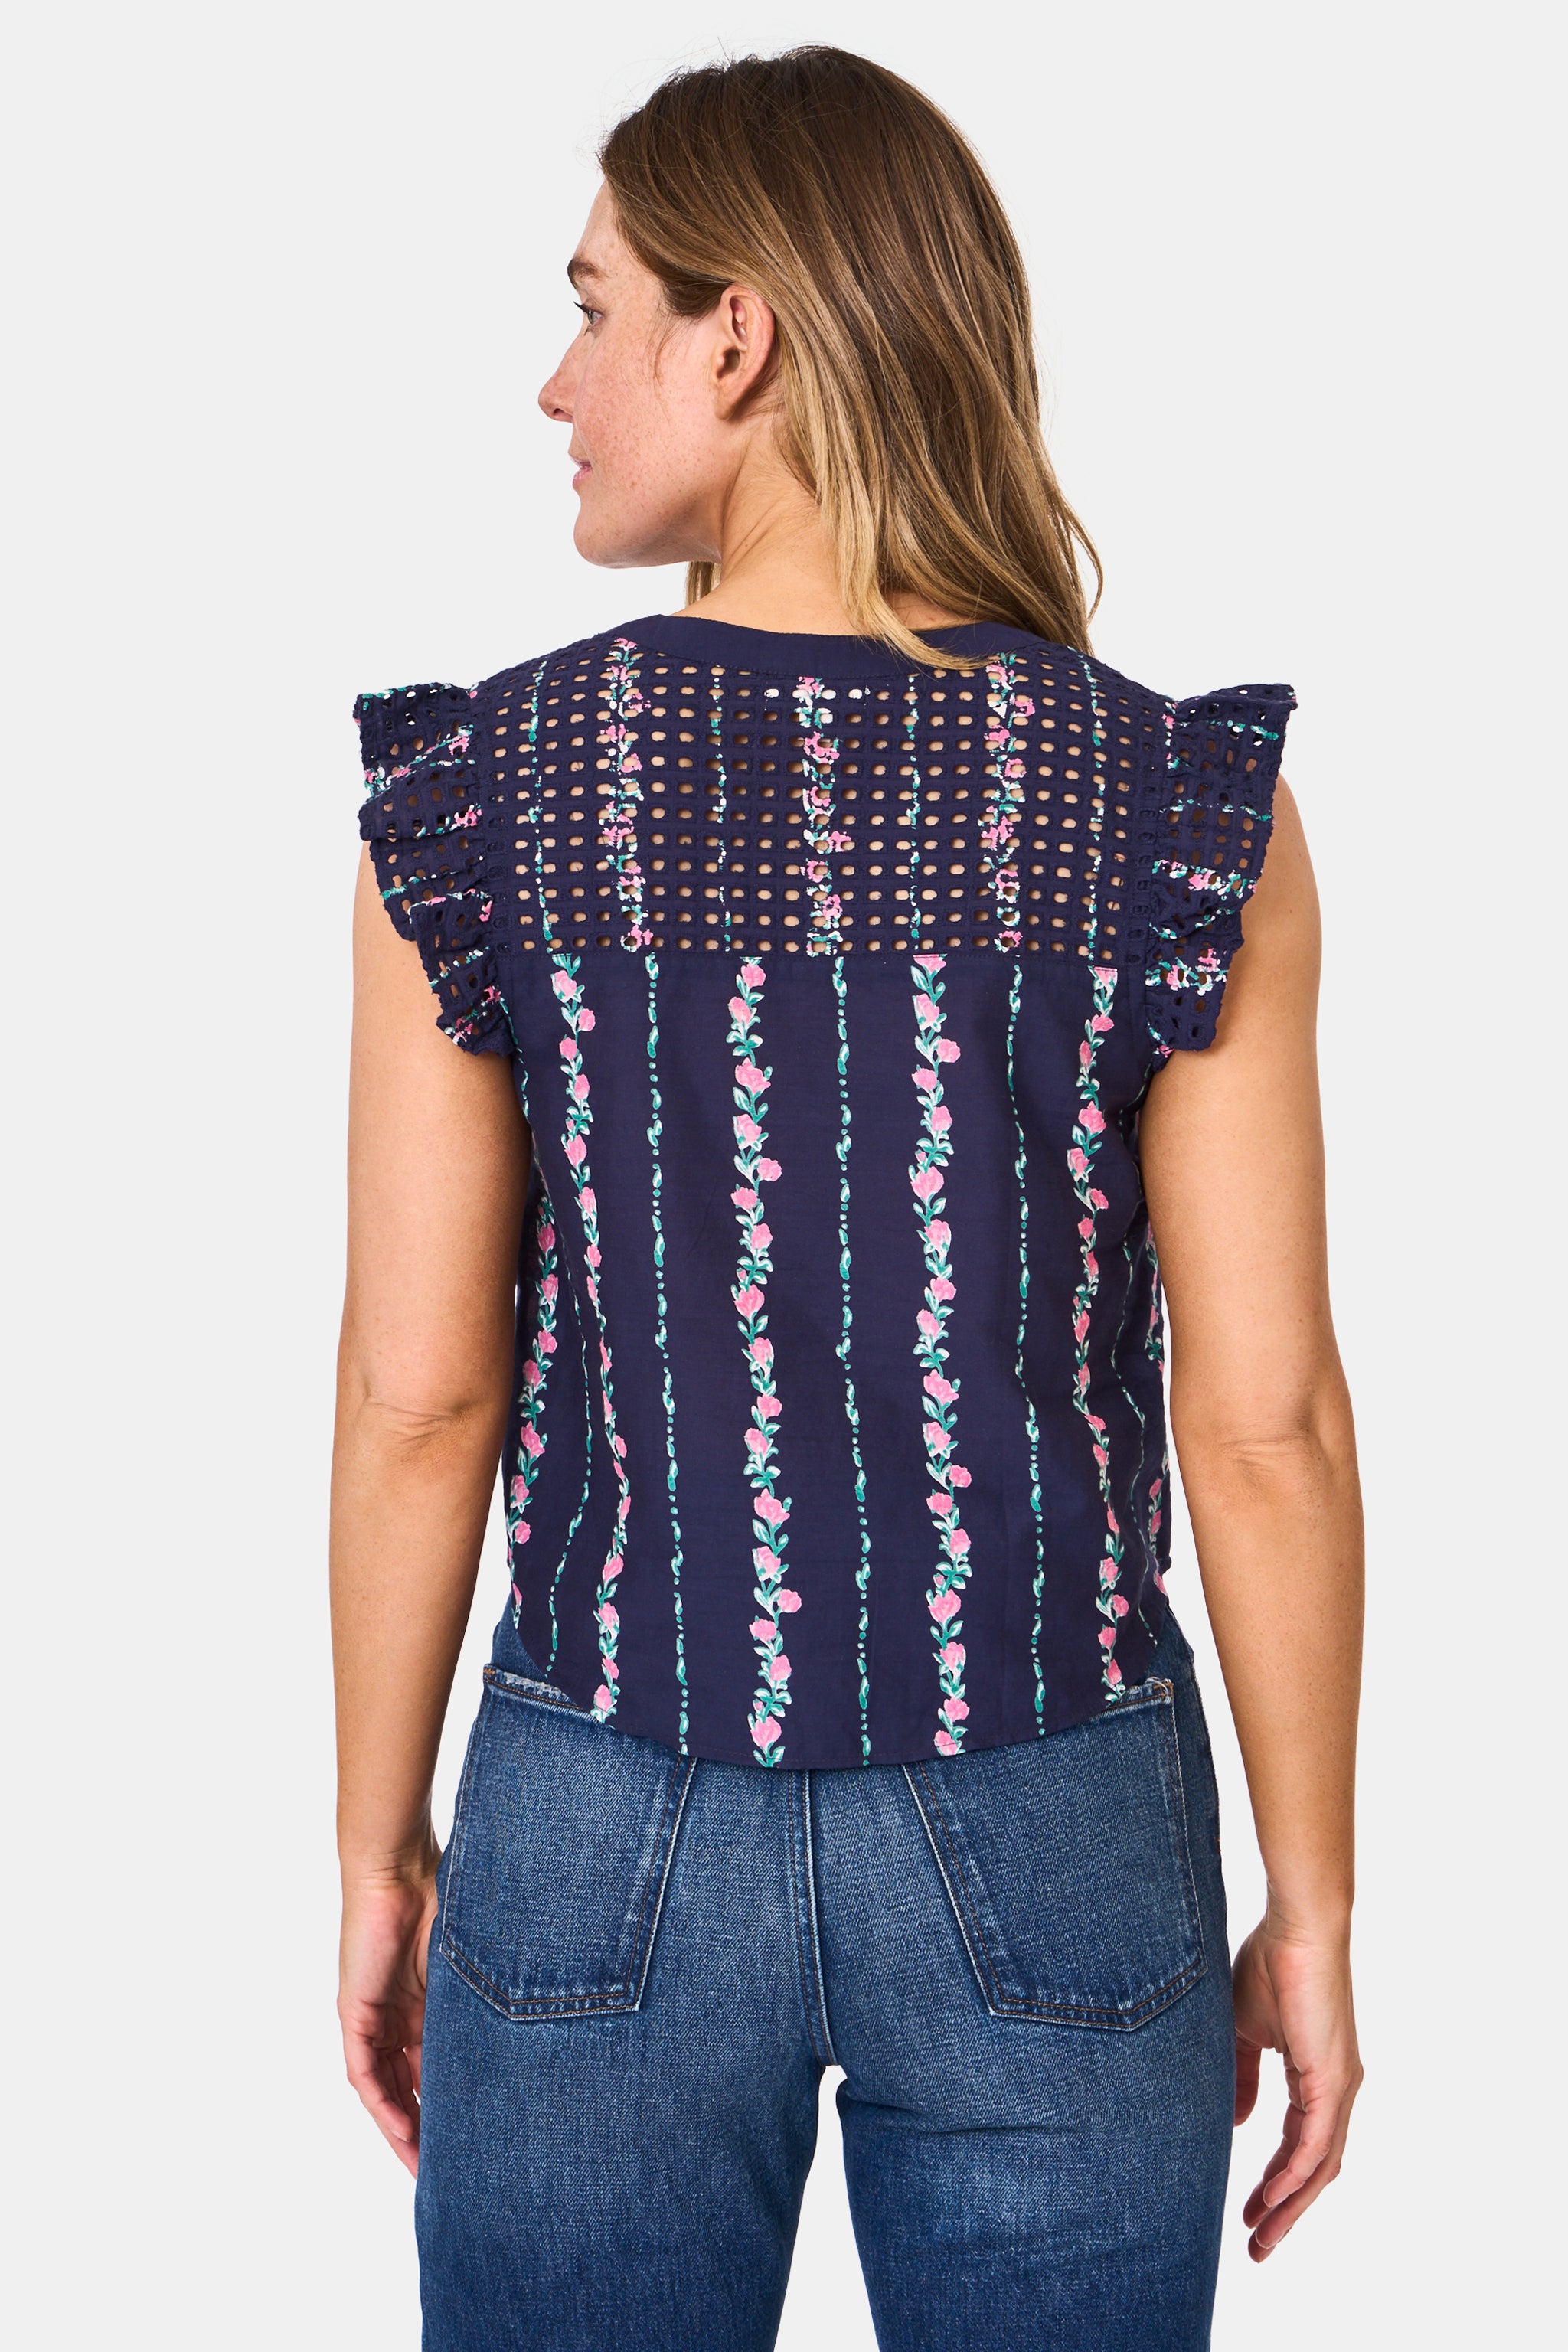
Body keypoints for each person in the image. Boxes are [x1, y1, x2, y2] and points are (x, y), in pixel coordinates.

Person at [332, 45, 1364, 2351]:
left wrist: (379, 1845)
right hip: (1054, 1807)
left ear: (741, 335)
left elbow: (420, 1398)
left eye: (592, 306)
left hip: (604, 1789)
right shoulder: (1170, 805)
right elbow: (1267, 1423)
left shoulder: (491, 796)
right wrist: (1309, 1910)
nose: (554, 383)